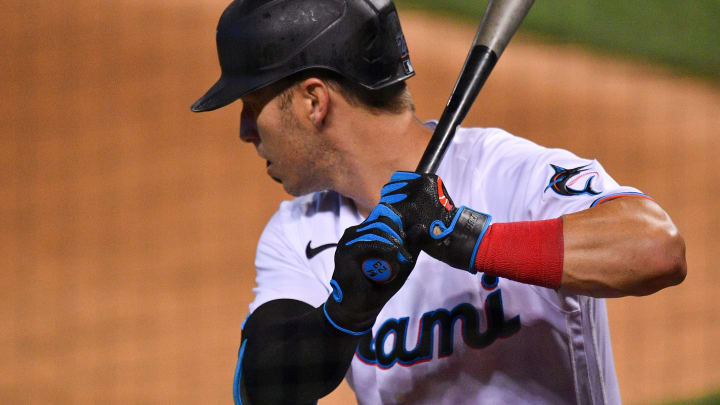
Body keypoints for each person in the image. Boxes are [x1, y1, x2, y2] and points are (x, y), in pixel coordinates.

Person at [191, 0, 687, 404]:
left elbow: (656, 250)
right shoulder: (297, 231)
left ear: (313, 101)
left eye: (252, 107)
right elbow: (256, 388)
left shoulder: (503, 171)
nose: (244, 131)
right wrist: (344, 312)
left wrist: (465, 235)